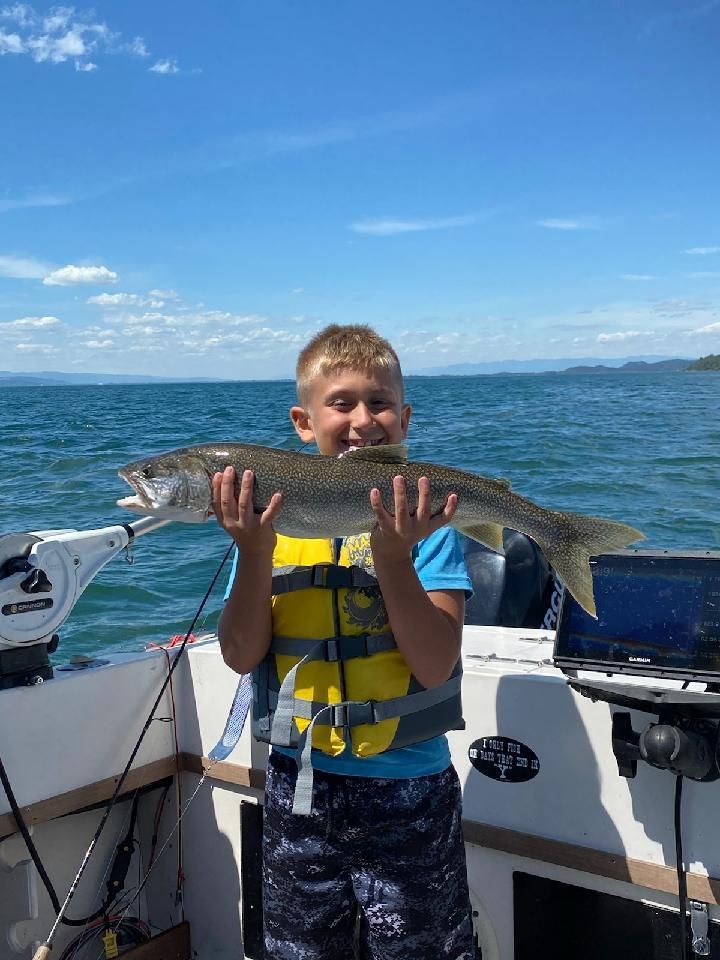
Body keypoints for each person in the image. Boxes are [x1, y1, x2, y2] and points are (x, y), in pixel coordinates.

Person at [214, 324, 476, 960]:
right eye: (342, 403)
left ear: (405, 417)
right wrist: (253, 553)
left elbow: (436, 665)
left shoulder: (429, 521)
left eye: (380, 402)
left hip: (408, 788)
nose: (363, 419)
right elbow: (240, 655)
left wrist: (392, 556)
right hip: (297, 788)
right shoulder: (267, 528)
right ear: (304, 422)